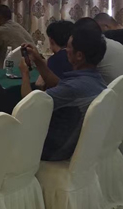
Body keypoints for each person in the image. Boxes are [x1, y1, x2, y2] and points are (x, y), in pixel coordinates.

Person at [19, 18, 108, 161]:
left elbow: (28, 106)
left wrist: (24, 74)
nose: (66, 50)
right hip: (77, 145)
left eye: (69, 47)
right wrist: (38, 60)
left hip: (55, 150)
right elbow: (59, 85)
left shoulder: (73, 87)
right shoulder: (96, 80)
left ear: (79, 56)